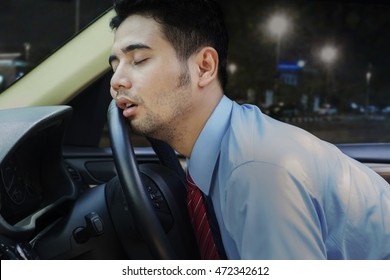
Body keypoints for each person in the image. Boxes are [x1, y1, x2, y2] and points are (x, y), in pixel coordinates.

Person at [108, 0, 390, 259]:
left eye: (139, 60)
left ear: (204, 67)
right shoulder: (220, 150)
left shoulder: (256, 170)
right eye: (115, 65)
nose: (117, 80)